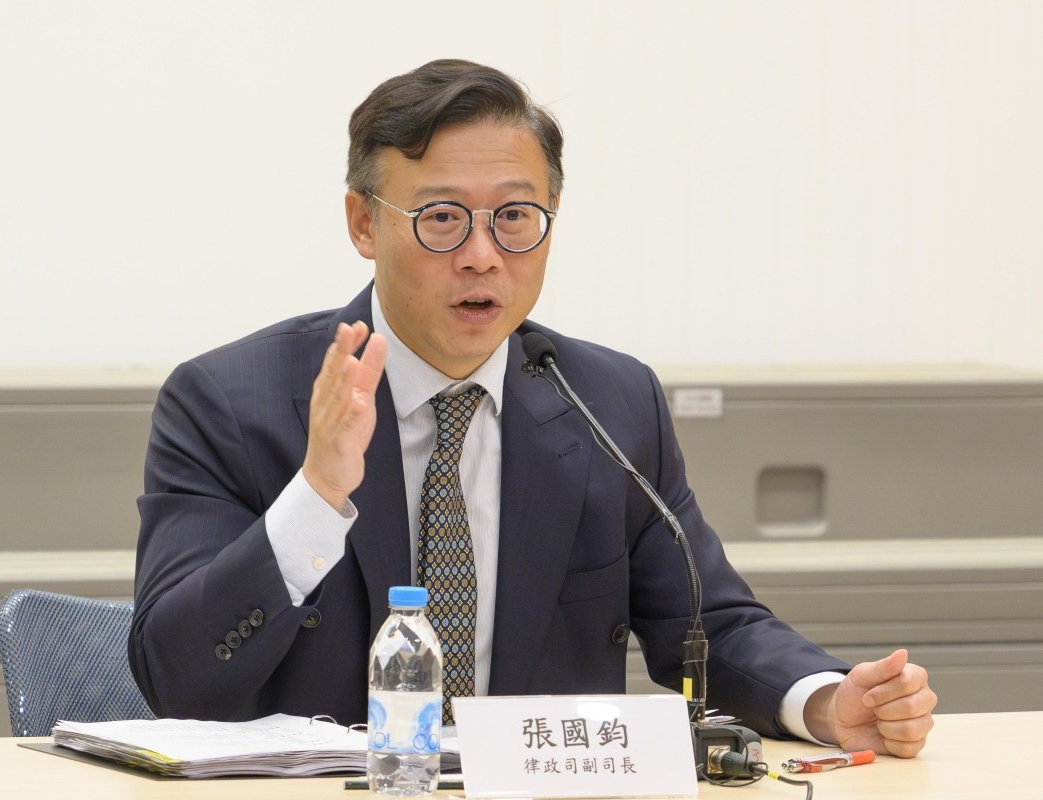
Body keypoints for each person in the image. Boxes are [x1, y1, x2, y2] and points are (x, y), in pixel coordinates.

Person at [129, 59, 936, 757]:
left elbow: (706, 627)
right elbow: (174, 677)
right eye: (442, 219)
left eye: (514, 217)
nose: (482, 256)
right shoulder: (229, 403)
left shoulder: (607, 402)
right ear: (363, 223)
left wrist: (824, 700)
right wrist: (316, 495)